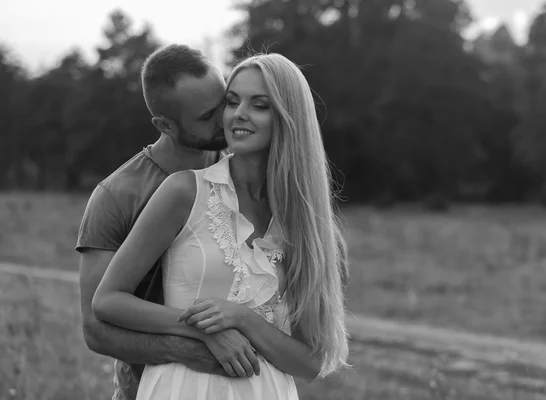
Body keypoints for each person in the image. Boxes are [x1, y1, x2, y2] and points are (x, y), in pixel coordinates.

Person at [91, 53, 350, 399]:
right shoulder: (184, 191)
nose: (238, 113)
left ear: (289, 119)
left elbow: (309, 364)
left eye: (260, 104)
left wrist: (244, 319)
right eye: (232, 101)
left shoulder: (304, 222)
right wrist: (202, 330)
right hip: (182, 389)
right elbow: (107, 301)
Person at [76, 44, 261, 400]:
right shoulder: (116, 197)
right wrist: (193, 346)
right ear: (164, 125)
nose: (226, 117)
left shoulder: (247, 172)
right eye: (208, 116)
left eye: (225, 102)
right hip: (151, 389)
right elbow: (96, 330)